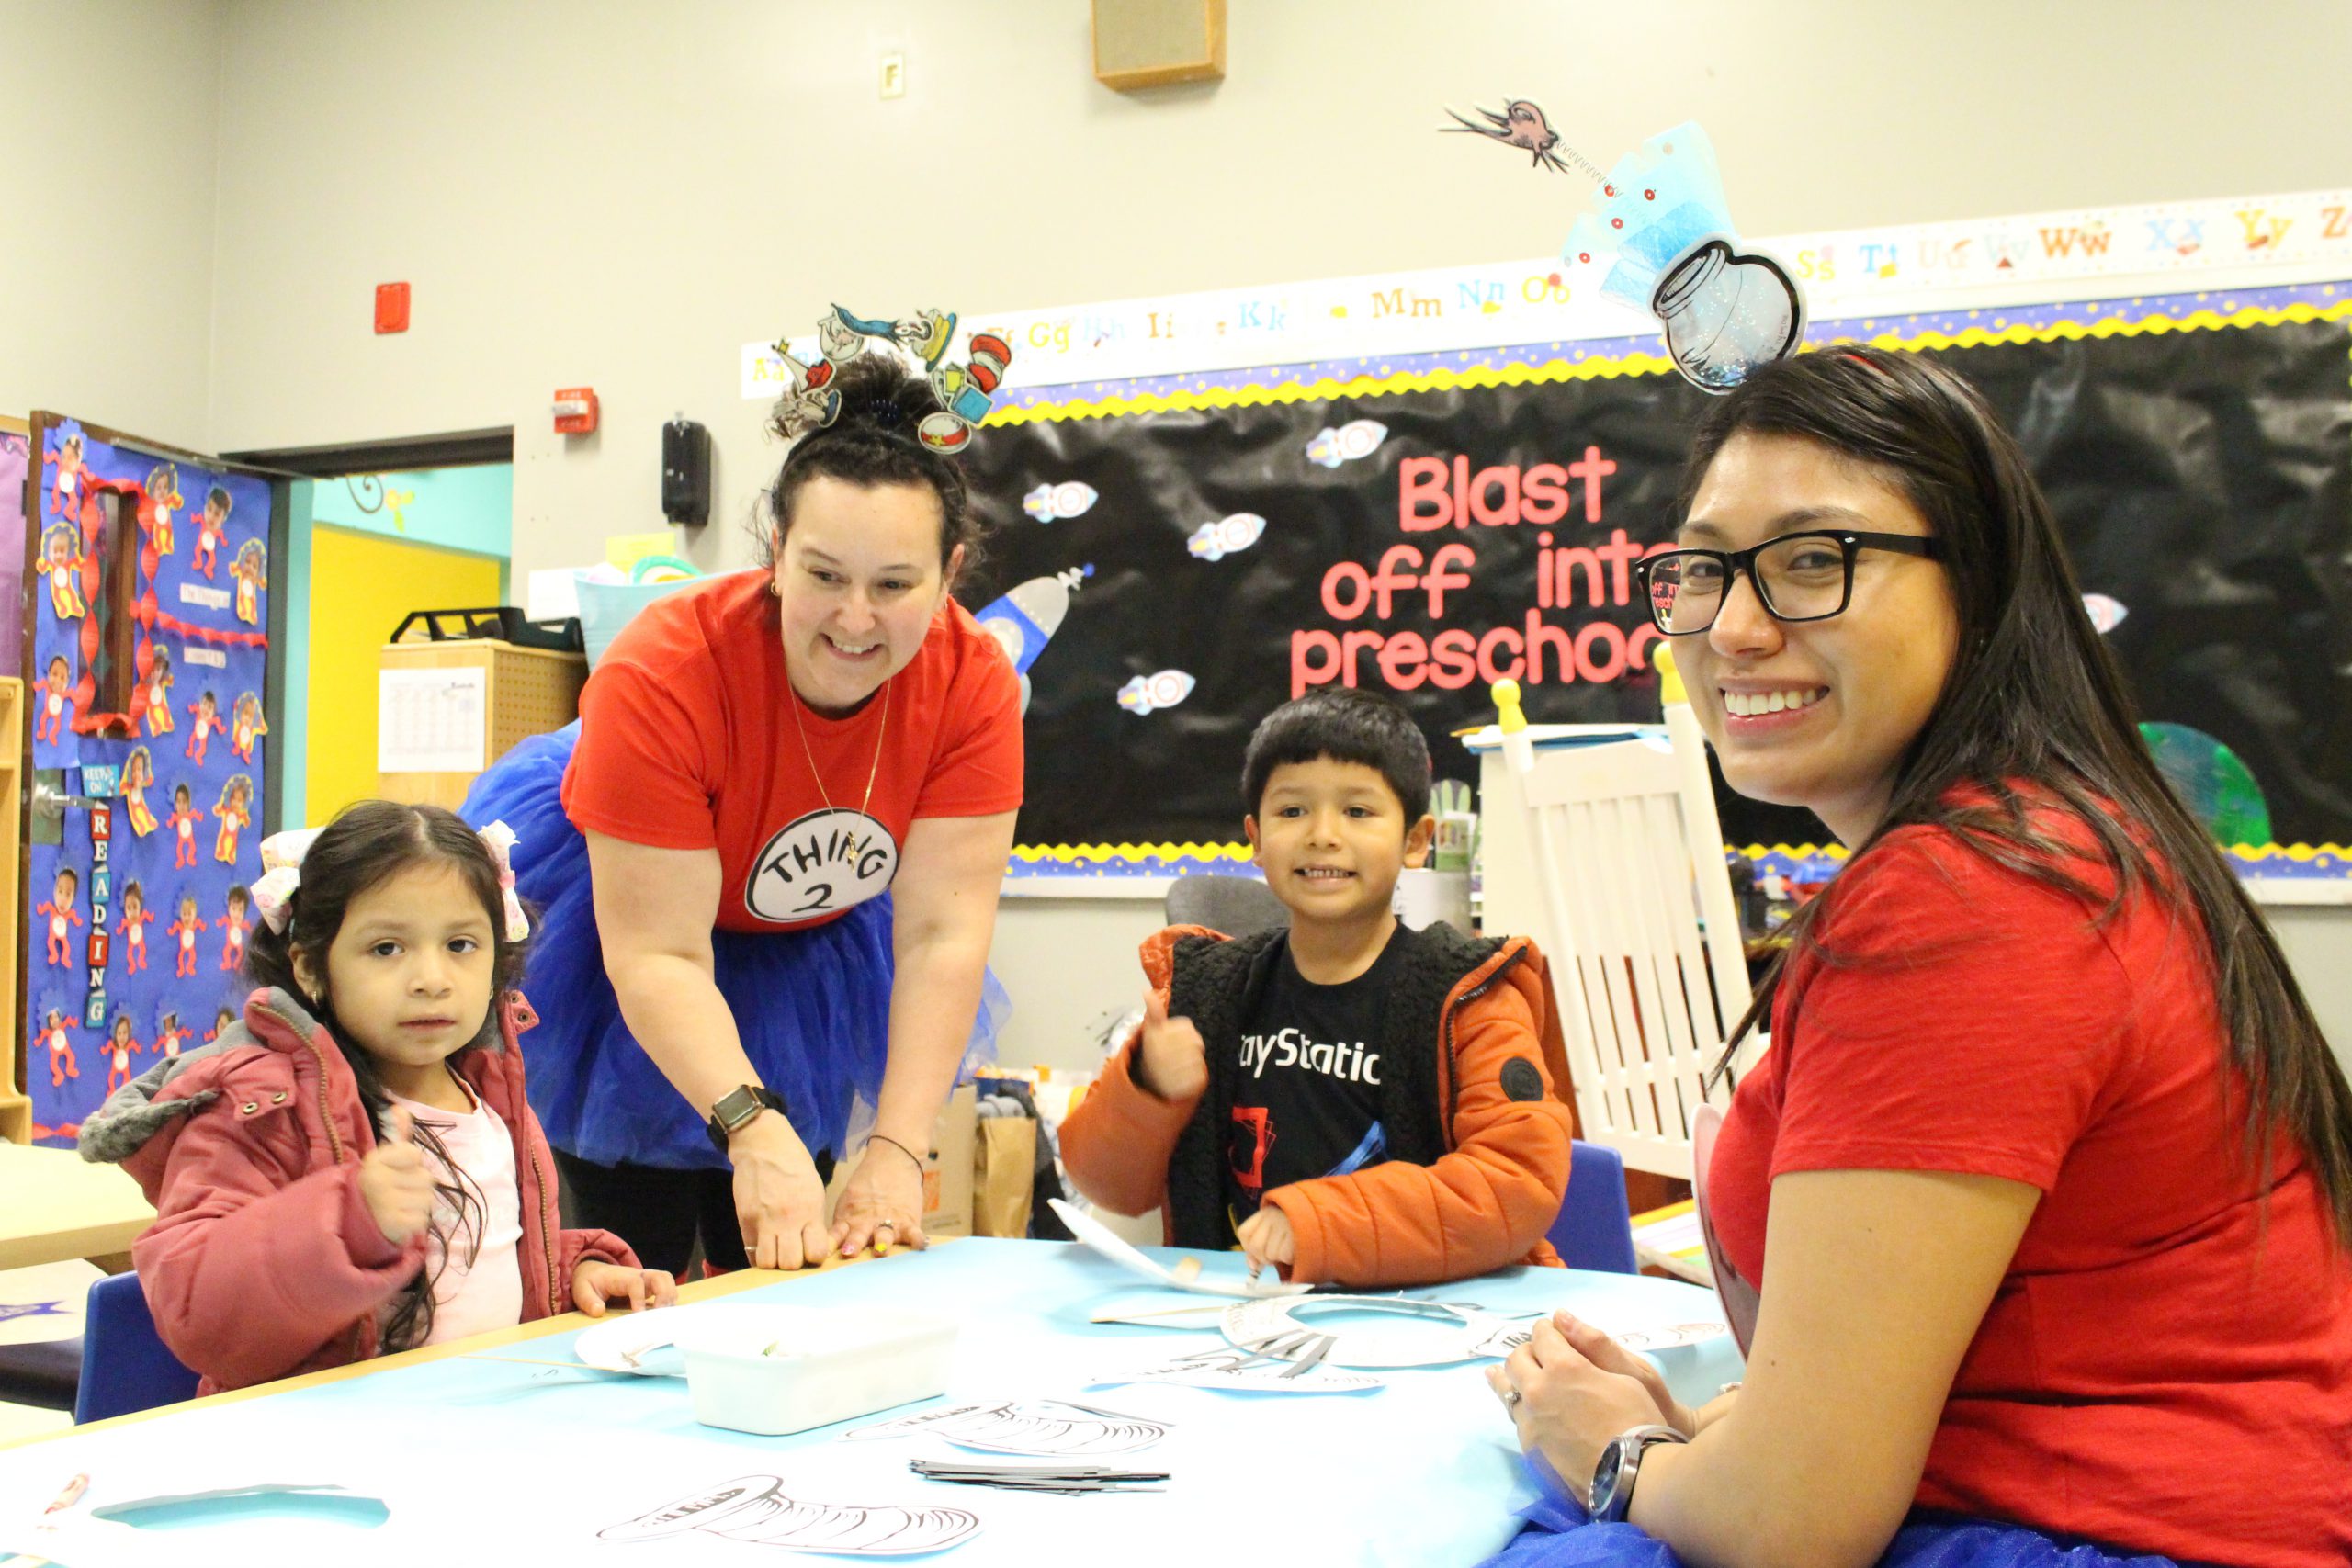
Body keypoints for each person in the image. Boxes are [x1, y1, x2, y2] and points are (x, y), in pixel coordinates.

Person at [1483, 347, 2352, 1568]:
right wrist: (1703, 1433)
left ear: (1979, 585)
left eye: (1809, 560)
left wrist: (1620, 1451)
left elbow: (1795, 1522)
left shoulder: (1966, 895)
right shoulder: (2057, 837)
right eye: (1701, 569)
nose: (1733, 626)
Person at [461, 334, 1022, 1277]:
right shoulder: (666, 669)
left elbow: (941, 937)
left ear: (950, 573)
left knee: (796, 1255)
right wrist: (749, 1131)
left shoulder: (971, 684)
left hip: (803, 934)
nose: (853, 620)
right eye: (823, 575)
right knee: (625, 1245)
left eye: (895, 587)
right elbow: (657, 952)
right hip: (632, 921)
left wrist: (896, 1146)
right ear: (774, 550)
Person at [79, 801, 673, 1395]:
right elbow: (194, 1309)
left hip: (474, 1429)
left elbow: (469, 1262)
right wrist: (346, 1219)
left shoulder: (489, 1092)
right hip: (319, 1447)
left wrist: (572, 1271)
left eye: (461, 944)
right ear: (310, 966)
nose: (432, 977)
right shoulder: (258, 1104)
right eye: (387, 948)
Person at [1061, 689, 1574, 1285]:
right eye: (1292, 811)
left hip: (1429, 1323)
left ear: (1415, 839)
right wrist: (1144, 1089)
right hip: (1244, 1322)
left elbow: (1516, 1181)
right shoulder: (1206, 993)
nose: (1323, 834)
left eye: (1358, 811)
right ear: (1255, 836)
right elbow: (1106, 1186)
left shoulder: (1469, 996)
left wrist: (1316, 1223)